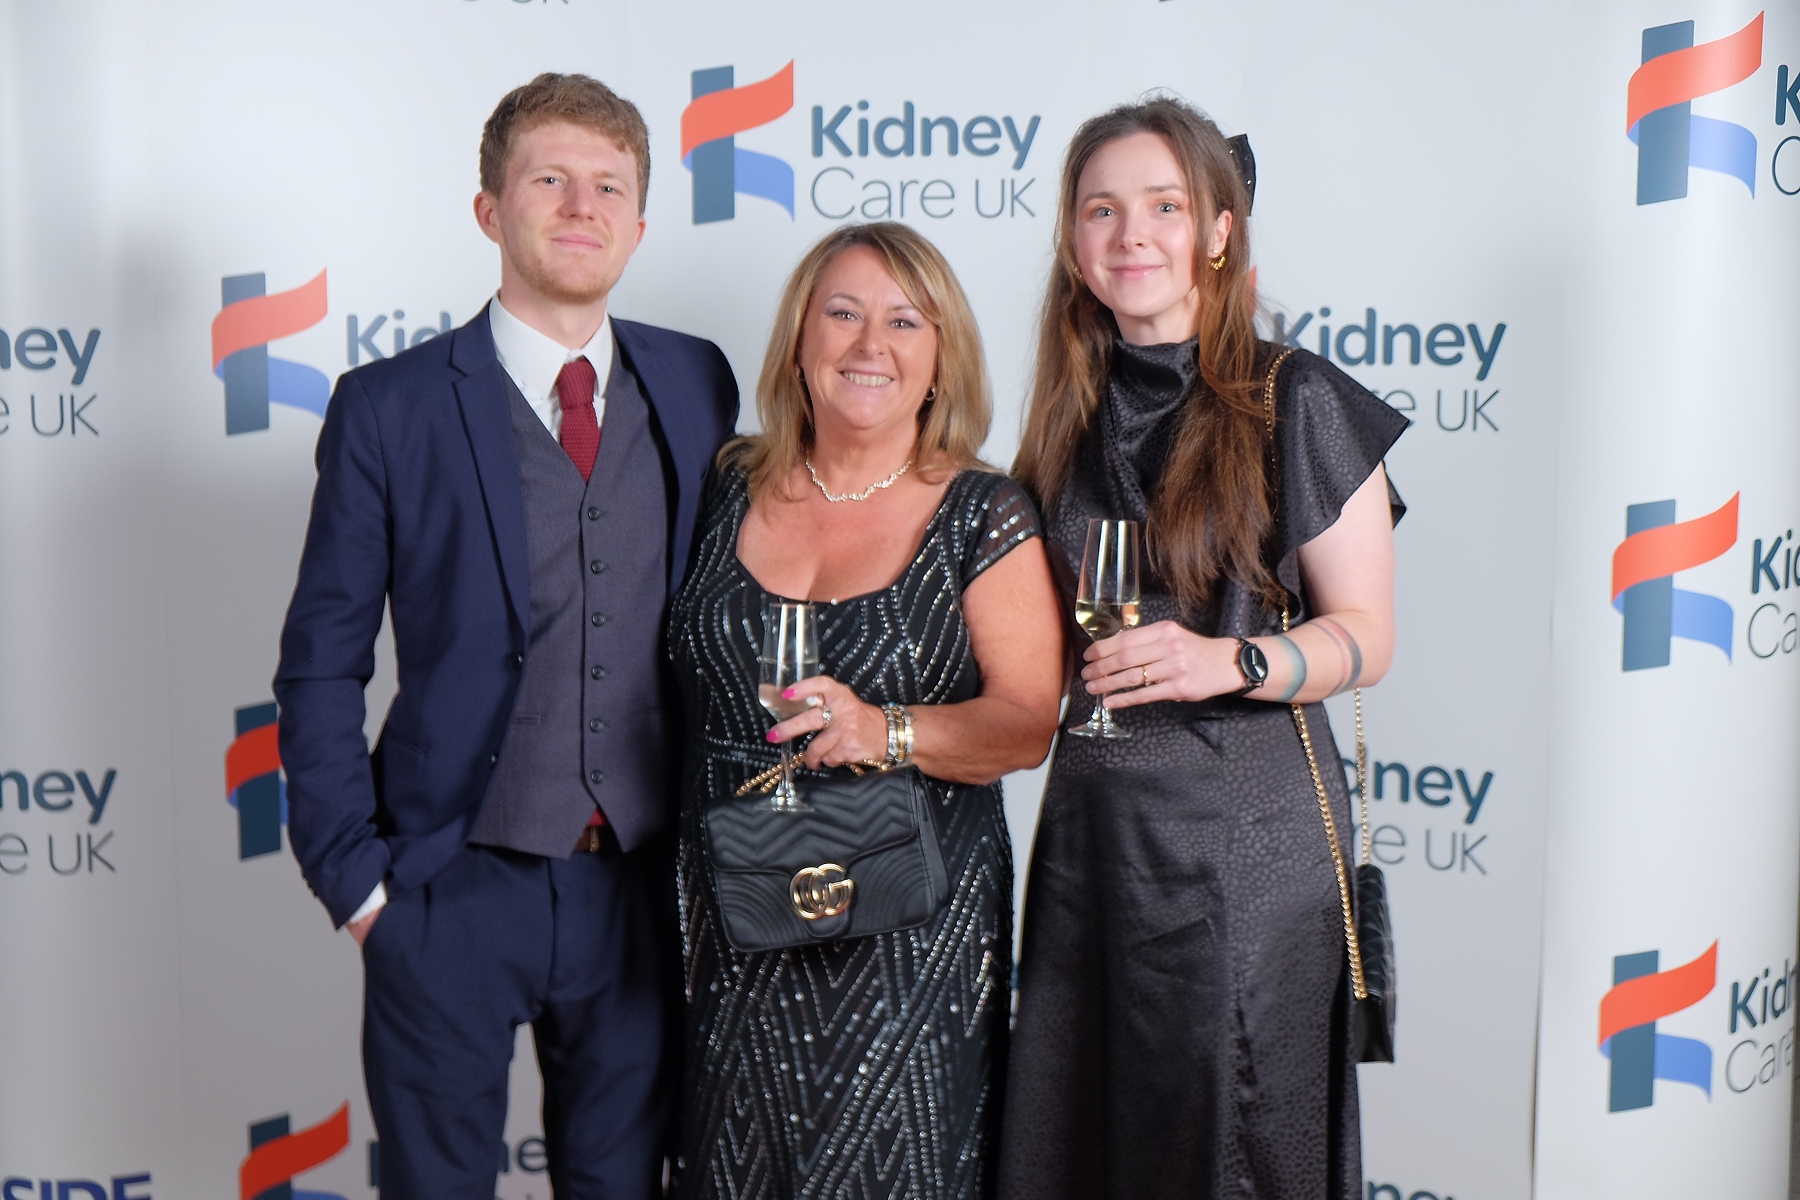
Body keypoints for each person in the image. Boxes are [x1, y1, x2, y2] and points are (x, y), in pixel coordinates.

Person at [273, 74, 738, 1198]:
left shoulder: (696, 380)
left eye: (608, 187)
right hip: (446, 887)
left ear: (638, 223)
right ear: (491, 209)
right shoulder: (388, 407)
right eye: (550, 180)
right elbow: (322, 661)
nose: (581, 207)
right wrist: (361, 891)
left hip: (639, 893)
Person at [999, 98, 1408, 1200]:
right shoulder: (1061, 418)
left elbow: (1366, 637)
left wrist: (1232, 662)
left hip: (1247, 842)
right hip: (1092, 839)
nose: (1132, 234)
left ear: (1218, 231)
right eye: (1102, 210)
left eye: (1165, 206)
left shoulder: (1295, 395)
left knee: (1230, 1138)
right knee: (1082, 1140)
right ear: (1075, 243)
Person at [668, 222, 1062, 1200]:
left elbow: (1025, 722)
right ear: (799, 339)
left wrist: (886, 729)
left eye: (903, 321)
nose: (867, 345)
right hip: (736, 926)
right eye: (841, 314)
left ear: (942, 357)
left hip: (908, 946)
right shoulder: (727, 482)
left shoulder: (984, 512)